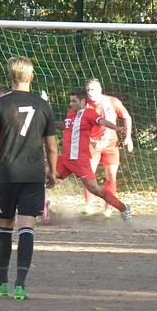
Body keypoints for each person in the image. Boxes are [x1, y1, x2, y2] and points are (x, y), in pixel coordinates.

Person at [0, 57, 57, 301]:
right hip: (33, 175)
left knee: (5, 226)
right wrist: (52, 171)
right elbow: (52, 146)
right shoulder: (43, 106)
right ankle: (20, 285)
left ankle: (2, 282)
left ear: (10, 77)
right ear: (31, 77)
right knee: (27, 227)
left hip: (7, 173)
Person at [55, 88, 132, 223]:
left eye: (73, 101)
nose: (70, 103)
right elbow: (66, 126)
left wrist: (116, 128)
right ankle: (38, 208)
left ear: (83, 101)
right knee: (45, 176)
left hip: (80, 160)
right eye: (70, 101)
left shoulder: (89, 114)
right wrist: (48, 123)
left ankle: (124, 208)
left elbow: (102, 121)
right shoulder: (71, 114)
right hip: (65, 159)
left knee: (95, 189)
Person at [83, 78, 134, 217]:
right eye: (88, 90)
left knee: (111, 175)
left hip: (110, 144)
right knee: (89, 175)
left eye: (93, 89)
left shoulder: (112, 102)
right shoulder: (84, 105)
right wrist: (90, 140)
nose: (90, 93)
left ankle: (109, 207)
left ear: (100, 90)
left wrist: (128, 137)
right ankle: (89, 206)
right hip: (92, 143)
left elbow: (126, 117)